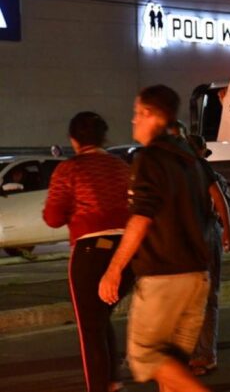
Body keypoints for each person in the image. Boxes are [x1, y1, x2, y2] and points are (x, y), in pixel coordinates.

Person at [98, 84, 212, 392]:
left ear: (150, 114)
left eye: (137, 113)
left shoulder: (149, 159)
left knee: (145, 356)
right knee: (172, 370)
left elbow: (141, 218)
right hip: (197, 275)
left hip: (165, 275)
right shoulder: (190, 159)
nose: (133, 120)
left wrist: (114, 269)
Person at [43, 111, 134, 392]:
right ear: (103, 136)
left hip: (89, 252)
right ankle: (112, 379)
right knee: (101, 317)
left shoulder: (70, 169)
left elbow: (53, 217)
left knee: (89, 328)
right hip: (125, 250)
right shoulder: (121, 166)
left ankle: (99, 385)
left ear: (73, 139)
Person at [186, 134, 230, 376]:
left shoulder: (197, 168)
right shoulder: (194, 167)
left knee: (203, 297)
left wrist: (227, 230)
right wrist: (227, 230)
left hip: (202, 235)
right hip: (202, 235)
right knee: (202, 297)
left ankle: (204, 354)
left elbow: (219, 199)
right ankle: (200, 353)